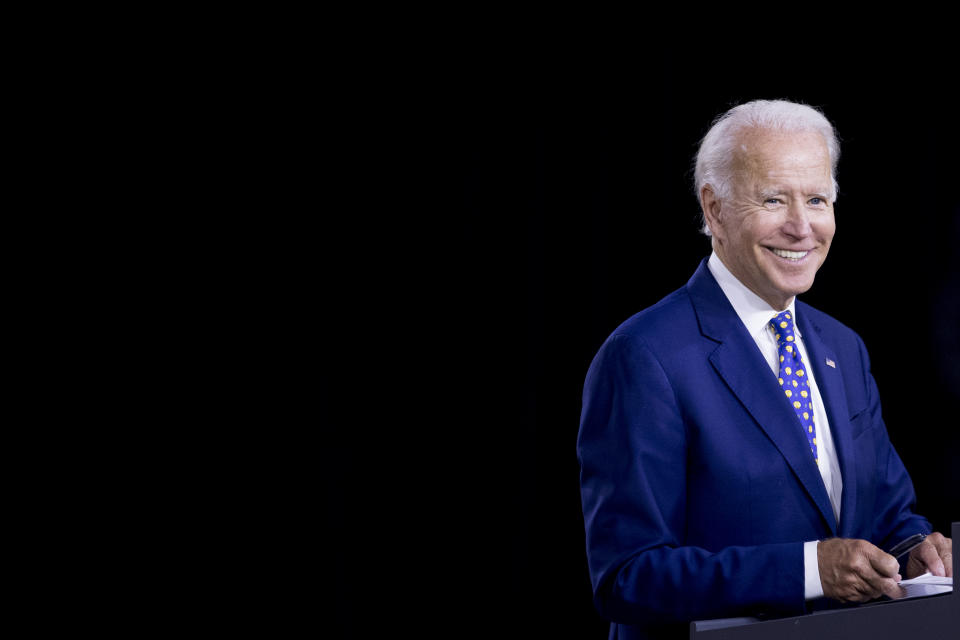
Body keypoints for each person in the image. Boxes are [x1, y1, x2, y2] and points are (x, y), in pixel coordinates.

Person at [577, 99, 952, 639]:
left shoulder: (842, 347)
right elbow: (627, 578)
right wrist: (809, 571)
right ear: (714, 211)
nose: (801, 227)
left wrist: (914, 549)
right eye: (774, 199)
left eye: (817, 200)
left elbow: (889, 513)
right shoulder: (643, 356)